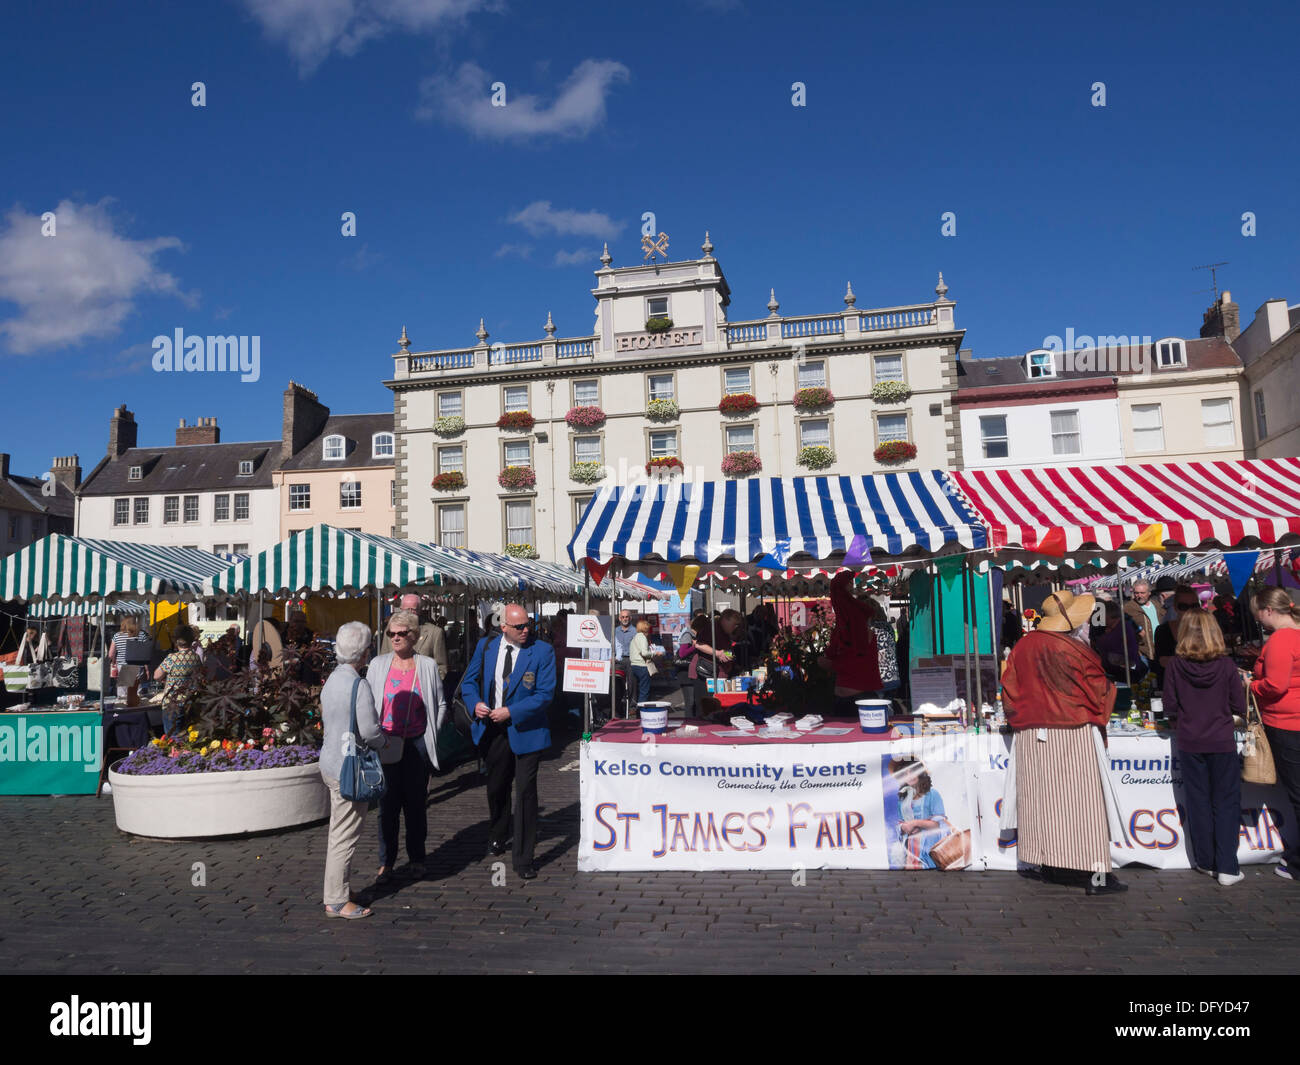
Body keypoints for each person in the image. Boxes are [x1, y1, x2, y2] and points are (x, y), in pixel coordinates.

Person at [1000, 590, 1124, 896]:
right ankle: (1097, 875)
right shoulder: (1075, 650)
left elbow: (1009, 687)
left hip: (1031, 733)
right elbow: (1097, 689)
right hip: (1072, 729)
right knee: (1084, 803)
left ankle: (1050, 865)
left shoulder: (1023, 645)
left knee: (1040, 801)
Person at [461, 603, 557, 879]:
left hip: (527, 729)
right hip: (493, 728)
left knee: (526, 792)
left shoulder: (542, 651)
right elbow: (469, 682)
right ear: (503, 627)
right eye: (519, 627)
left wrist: (512, 711)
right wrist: (475, 702)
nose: (526, 630)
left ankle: (524, 857)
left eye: (529, 625)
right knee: (497, 786)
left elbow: (545, 695)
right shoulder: (487, 647)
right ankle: (498, 833)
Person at [1162, 609, 1244, 885]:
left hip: (1190, 740)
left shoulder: (1174, 665)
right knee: (1226, 802)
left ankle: (1206, 860)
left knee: (1198, 801)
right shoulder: (1226, 666)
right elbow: (1239, 706)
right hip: (1221, 740)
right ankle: (1227, 866)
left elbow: (1170, 706)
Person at [366, 608, 447, 884]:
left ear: (415, 636)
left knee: (415, 806)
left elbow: (440, 703)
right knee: (386, 807)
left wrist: (431, 733)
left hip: (416, 744)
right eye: (392, 634)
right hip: (386, 743)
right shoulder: (378, 665)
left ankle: (417, 858)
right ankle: (386, 861)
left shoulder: (426, 665)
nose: (396, 638)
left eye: (402, 634)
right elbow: (368, 703)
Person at [319, 621, 389, 919]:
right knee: (344, 835)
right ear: (363, 653)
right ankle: (336, 899)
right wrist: (385, 739)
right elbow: (370, 731)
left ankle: (338, 892)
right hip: (349, 766)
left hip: (330, 761)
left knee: (339, 830)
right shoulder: (358, 685)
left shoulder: (332, 680)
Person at [1249, 586, 1300, 882]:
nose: (1259, 619)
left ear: (1269, 610)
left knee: (1297, 793)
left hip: (1286, 723)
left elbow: (1275, 685)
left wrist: (1250, 685)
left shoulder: (1280, 640)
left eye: (1259, 613)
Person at [824, 571, 883, 714]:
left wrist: (829, 664)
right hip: (846, 697)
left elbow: (856, 661)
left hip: (860, 698)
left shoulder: (855, 626)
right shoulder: (842, 627)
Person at [887, 758, 953, 869]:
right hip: (911, 838)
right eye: (904, 773)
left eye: (912, 771)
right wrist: (904, 827)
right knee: (897, 850)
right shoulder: (903, 799)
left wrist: (916, 823)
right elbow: (901, 824)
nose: (909, 775)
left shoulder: (932, 794)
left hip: (931, 839)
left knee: (917, 839)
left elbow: (939, 825)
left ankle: (922, 863)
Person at [153, 625, 202, 735]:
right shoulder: (196, 657)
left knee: (172, 738)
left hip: (172, 702)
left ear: (176, 641)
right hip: (190, 700)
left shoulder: (172, 658)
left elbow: (156, 675)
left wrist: (167, 679)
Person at [688, 610, 738, 714]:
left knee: (714, 705)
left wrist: (729, 655)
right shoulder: (712, 628)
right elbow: (698, 644)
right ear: (725, 620)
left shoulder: (725, 632)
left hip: (717, 672)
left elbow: (725, 649)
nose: (735, 627)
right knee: (705, 705)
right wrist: (718, 653)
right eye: (734, 624)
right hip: (704, 672)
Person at [1152, 584, 1201, 687]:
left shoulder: (1205, 629)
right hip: (1174, 686)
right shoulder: (1163, 631)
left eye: (1194, 606)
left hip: (1200, 684)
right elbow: (1163, 661)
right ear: (1175, 607)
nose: (1189, 611)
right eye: (1184, 607)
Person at [1094, 600, 1147, 684]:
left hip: (1126, 673)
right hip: (1115, 672)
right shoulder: (1109, 628)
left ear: (1109, 614)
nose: (1099, 618)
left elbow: (1111, 646)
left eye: (1101, 615)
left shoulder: (1123, 627)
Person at [110, 616, 147, 706]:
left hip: (123, 666)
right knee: (136, 694)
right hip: (137, 665)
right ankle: (137, 713)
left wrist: (114, 662)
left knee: (122, 696)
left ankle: (122, 714)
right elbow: (145, 653)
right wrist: (147, 669)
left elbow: (111, 654)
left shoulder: (117, 636)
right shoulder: (141, 635)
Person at [628, 618, 662, 705]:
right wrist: (654, 653)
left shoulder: (635, 637)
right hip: (642, 666)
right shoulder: (643, 637)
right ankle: (641, 712)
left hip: (634, 666)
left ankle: (638, 711)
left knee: (638, 690)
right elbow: (645, 653)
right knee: (644, 691)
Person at [1123, 580, 1158, 660]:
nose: (1139, 596)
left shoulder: (1157, 605)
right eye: (1136, 593)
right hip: (1142, 653)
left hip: (1160, 651)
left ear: (1149, 593)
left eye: (1142, 593)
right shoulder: (1128, 608)